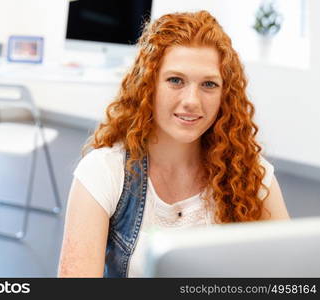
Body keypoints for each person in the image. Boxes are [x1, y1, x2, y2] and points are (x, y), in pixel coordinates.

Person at [57, 10, 290, 278]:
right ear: (148, 85)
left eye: (209, 84)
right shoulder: (103, 173)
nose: (192, 100)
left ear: (225, 95)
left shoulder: (251, 174)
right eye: (175, 80)